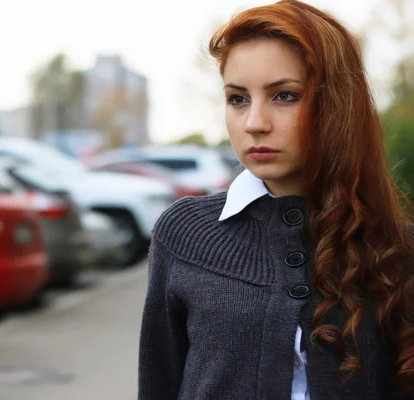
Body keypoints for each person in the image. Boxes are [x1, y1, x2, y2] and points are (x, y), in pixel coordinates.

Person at [137, 1, 414, 399]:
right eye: (237, 99)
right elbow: (157, 383)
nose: (254, 123)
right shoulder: (184, 233)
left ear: (337, 105)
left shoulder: (397, 248)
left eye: (284, 96)